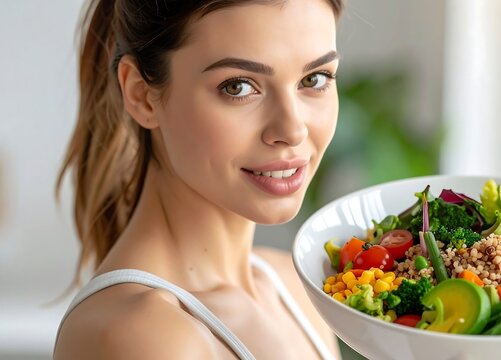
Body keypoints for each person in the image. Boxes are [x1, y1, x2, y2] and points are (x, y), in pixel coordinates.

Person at [53, 0, 344, 359]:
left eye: (314, 79)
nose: (292, 130)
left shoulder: (293, 287)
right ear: (141, 95)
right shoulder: (142, 336)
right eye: (238, 87)